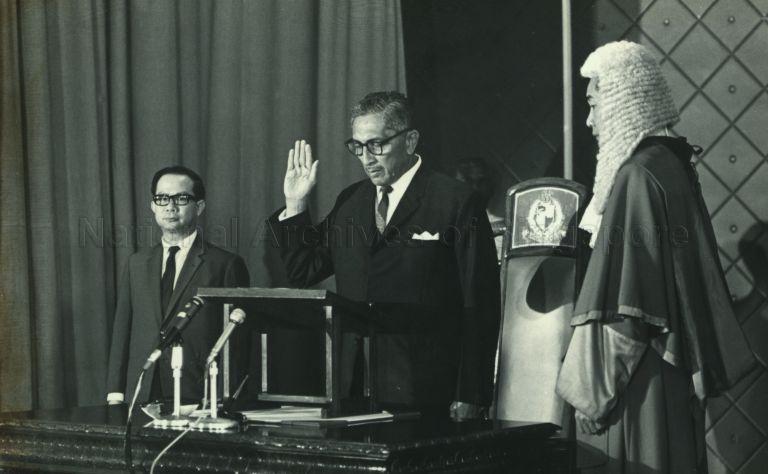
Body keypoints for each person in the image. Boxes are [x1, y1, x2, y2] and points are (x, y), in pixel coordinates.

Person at [555, 41, 756, 473]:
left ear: (623, 100)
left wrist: (593, 393)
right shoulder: (672, 164)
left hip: (635, 380)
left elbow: (628, 305)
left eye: (594, 103)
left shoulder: (636, 176)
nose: (589, 121)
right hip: (672, 369)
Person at [269, 91, 500, 419]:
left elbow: (480, 303)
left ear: (410, 141)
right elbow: (303, 271)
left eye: (378, 144)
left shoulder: (455, 201)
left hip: (429, 391)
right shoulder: (351, 201)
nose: (367, 158)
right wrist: (295, 205)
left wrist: (473, 393)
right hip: (352, 386)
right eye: (358, 147)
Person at [106, 166, 250, 404]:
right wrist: (115, 392)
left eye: (181, 198)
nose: (170, 206)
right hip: (141, 392)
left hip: (200, 395)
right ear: (153, 206)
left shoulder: (225, 264)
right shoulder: (137, 263)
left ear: (200, 206)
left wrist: (227, 398)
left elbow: (238, 344)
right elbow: (123, 330)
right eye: (162, 199)